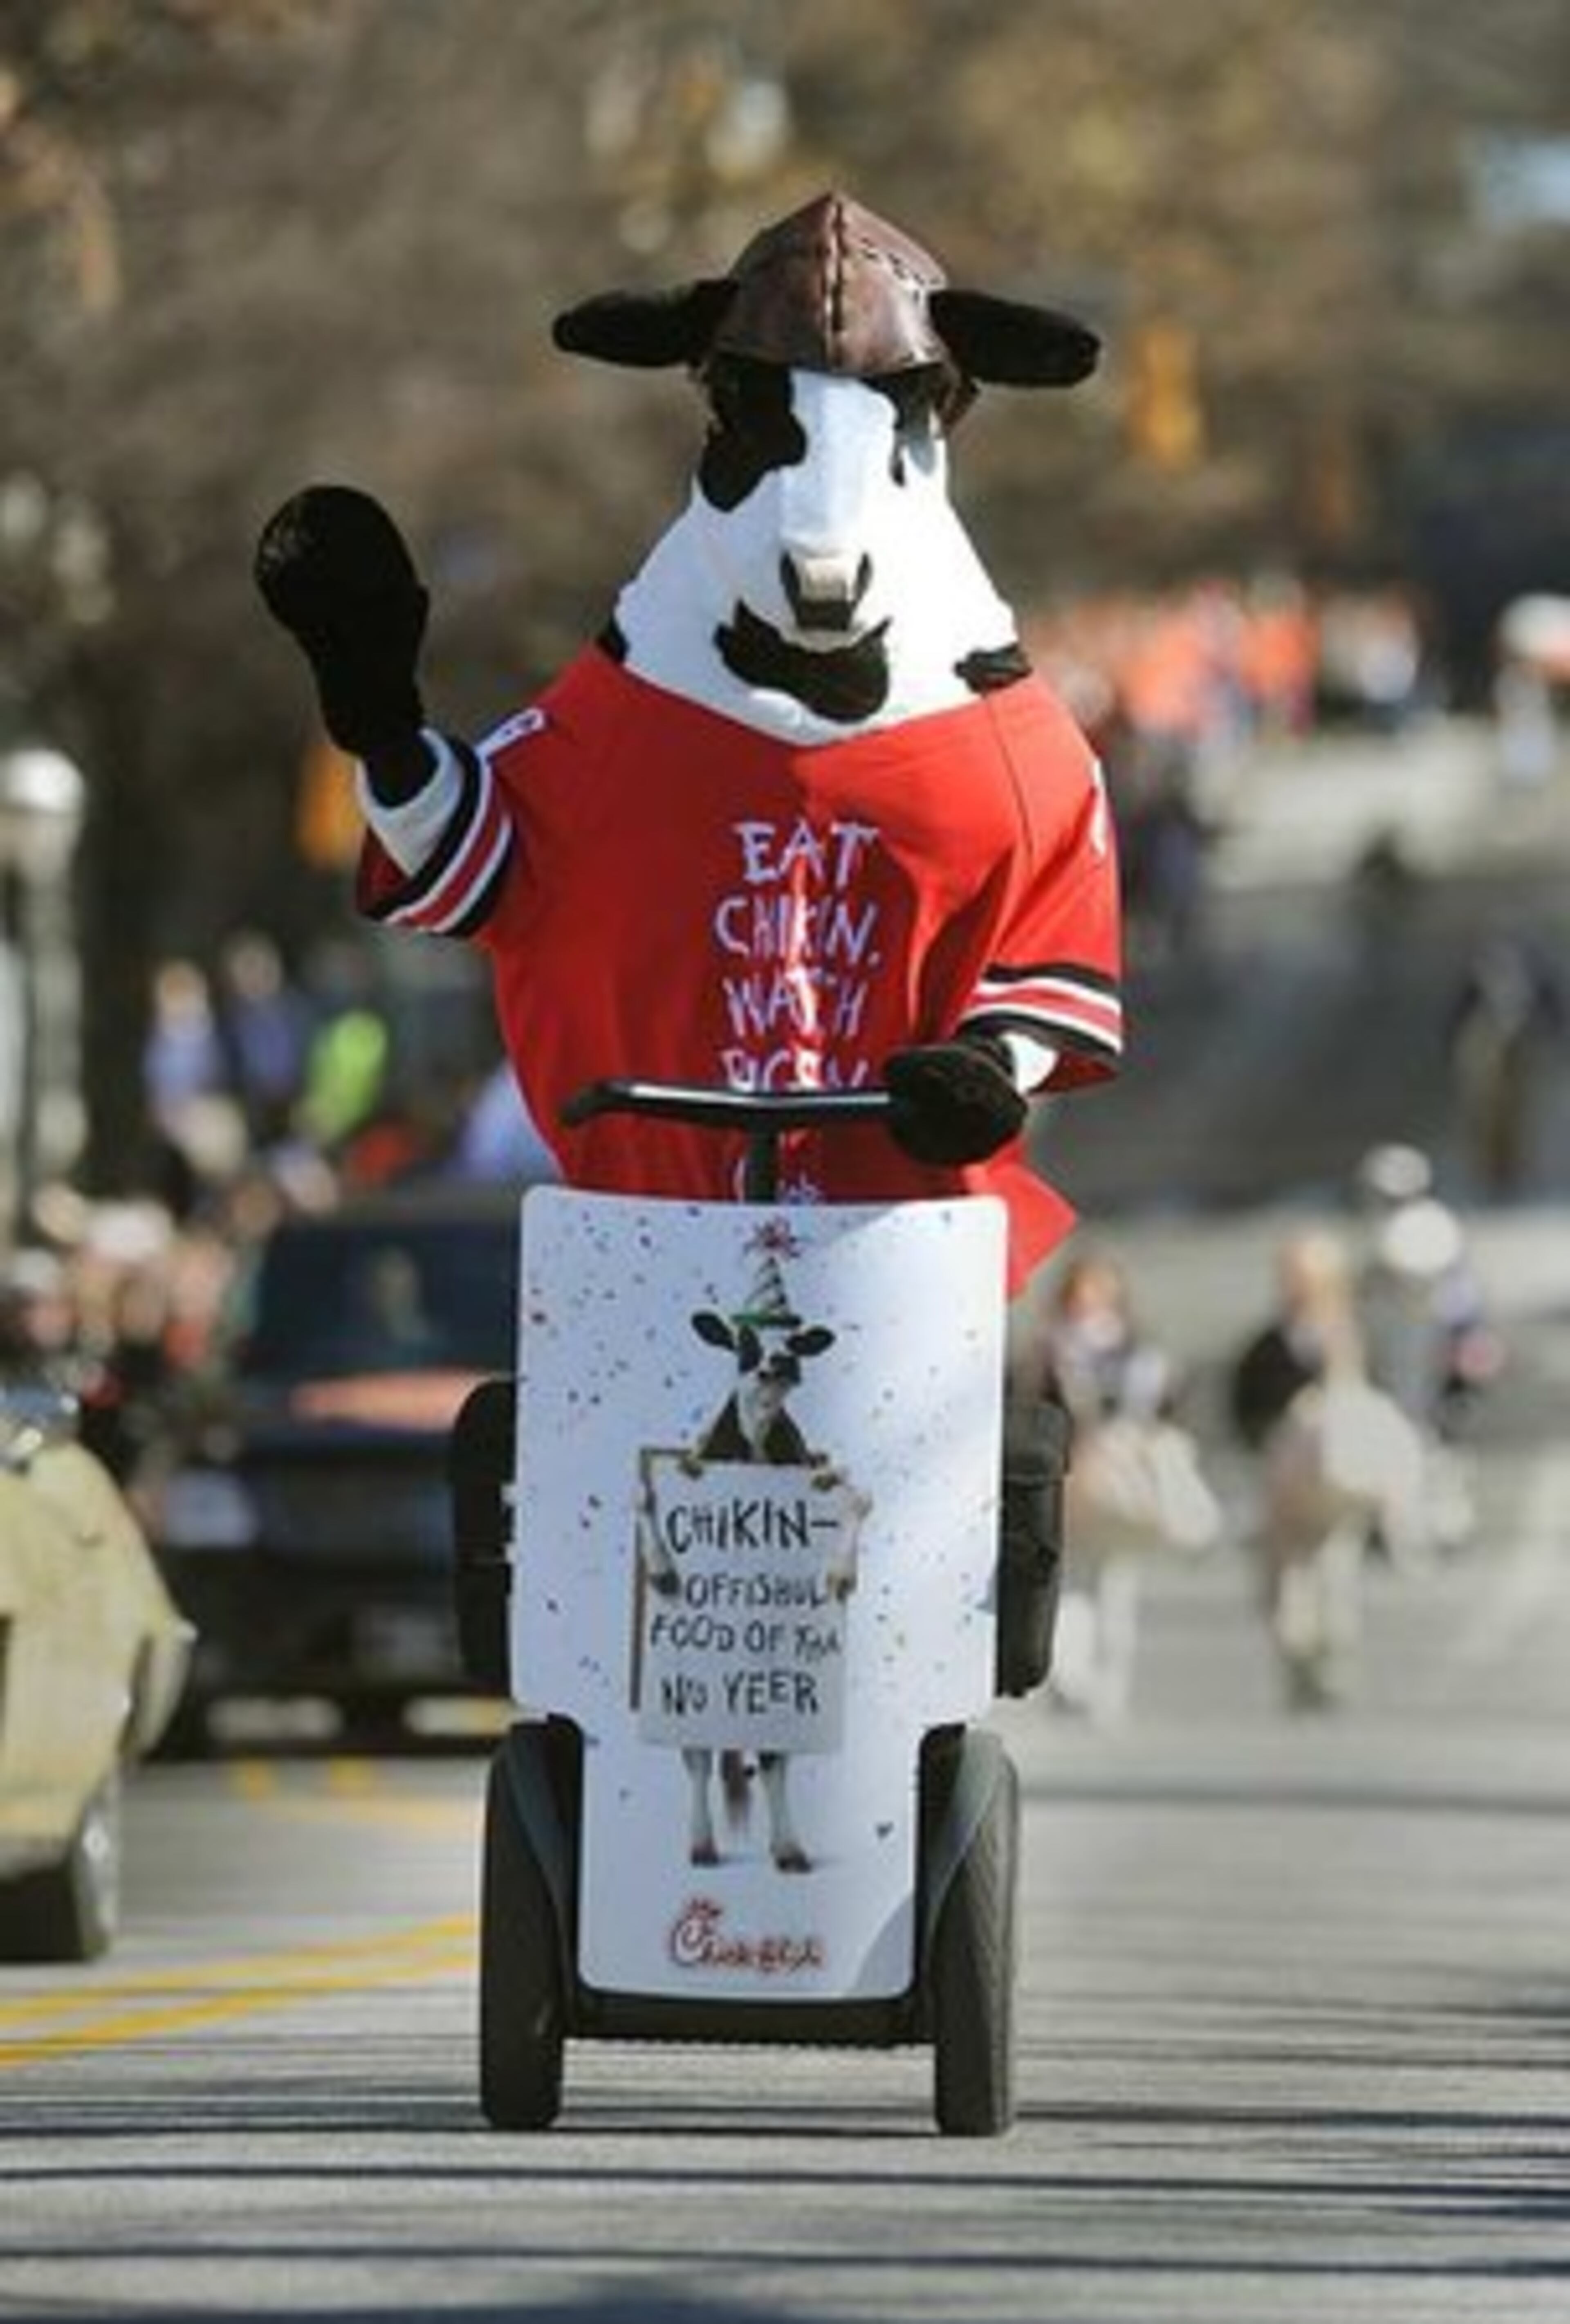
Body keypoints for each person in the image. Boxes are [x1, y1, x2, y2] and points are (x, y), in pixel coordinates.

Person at [254, 193, 1124, 1704]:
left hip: (888, 1260)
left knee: (902, 1609)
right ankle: (582, 1749)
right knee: (592, 1583)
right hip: (643, 1241)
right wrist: (380, 720)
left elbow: (1048, 932)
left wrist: (987, 1063)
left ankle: (915, 1752)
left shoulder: (1006, 749)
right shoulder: (620, 728)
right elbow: (472, 859)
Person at [1229, 1227, 1426, 1709]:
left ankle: (1332, 1662)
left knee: (1336, 1568)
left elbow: (1390, 1398)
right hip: (1286, 1482)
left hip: (1343, 1477)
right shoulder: (1271, 1343)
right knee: (1287, 1576)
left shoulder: (1357, 1333)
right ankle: (1299, 1657)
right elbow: (1246, 1404)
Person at [1040, 1249, 1217, 1721]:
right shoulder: (1050, 1349)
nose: (1090, 1298)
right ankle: (1071, 1676)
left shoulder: (1141, 1351)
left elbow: (1168, 1407)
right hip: (1072, 1480)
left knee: (1116, 1585)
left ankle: (1108, 1682)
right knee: (1070, 1584)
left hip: (1124, 1484)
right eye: (1083, 1289)